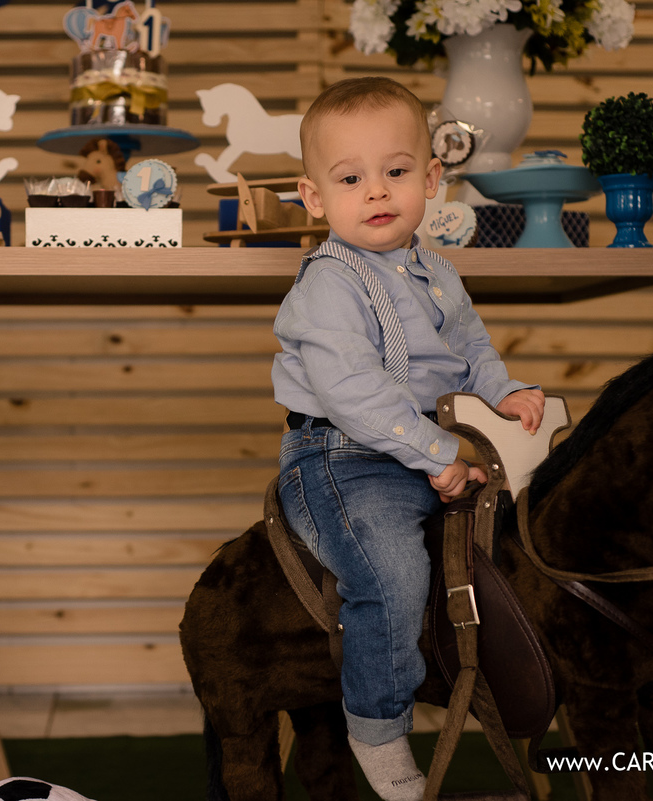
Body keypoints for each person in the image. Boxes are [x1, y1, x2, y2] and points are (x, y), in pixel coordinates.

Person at [271, 76, 545, 801]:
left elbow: (471, 348)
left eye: (395, 172)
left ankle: (540, 690)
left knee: (529, 542)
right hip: (342, 457)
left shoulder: (439, 272)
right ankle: (378, 726)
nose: (376, 192)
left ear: (430, 179)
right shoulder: (328, 283)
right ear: (314, 196)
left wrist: (501, 390)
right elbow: (351, 392)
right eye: (350, 178)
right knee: (390, 571)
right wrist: (437, 453)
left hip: (430, 445)